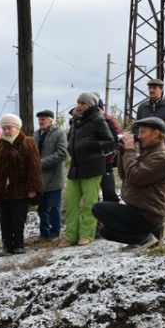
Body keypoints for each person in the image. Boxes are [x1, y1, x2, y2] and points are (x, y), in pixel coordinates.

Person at [92, 117, 165, 251]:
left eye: (143, 133)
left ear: (156, 134)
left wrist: (130, 151)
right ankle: (153, 234)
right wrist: (124, 151)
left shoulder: (161, 156)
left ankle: (142, 239)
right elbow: (125, 176)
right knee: (106, 231)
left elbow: (134, 177)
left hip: (148, 214)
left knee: (98, 208)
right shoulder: (150, 153)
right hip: (140, 210)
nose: (139, 137)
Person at [0, 114, 44, 257]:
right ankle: (7, 247)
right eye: (4, 128)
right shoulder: (0, 144)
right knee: (5, 219)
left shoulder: (28, 142)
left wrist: (33, 188)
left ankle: (19, 245)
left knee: (18, 219)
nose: (7, 131)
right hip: (3, 190)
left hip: (21, 190)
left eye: (9, 128)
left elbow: (35, 167)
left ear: (17, 128)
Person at [61, 92, 115, 247]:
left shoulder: (98, 119)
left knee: (89, 203)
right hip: (75, 167)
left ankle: (87, 234)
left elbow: (110, 141)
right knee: (71, 202)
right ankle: (71, 236)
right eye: (78, 102)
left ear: (91, 105)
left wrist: (89, 145)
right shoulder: (76, 120)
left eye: (83, 103)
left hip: (93, 165)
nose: (79, 106)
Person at [33, 110, 68, 242]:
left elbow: (62, 153)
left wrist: (40, 164)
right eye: (39, 119)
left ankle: (55, 233)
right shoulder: (36, 135)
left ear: (51, 121)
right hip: (39, 178)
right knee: (42, 208)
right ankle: (44, 233)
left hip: (54, 177)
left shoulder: (59, 134)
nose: (41, 121)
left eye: (44, 119)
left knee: (54, 207)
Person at [132, 78, 165, 147]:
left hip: (162, 147)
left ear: (161, 90)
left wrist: (159, 138)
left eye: (154, 88)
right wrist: (143, 137)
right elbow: (135, 126)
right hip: (144, 147)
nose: (151, 90)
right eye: (149, 88)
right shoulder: (142, 107)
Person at [98, 99, 123, 203]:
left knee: (109, 192)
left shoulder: (110, 120)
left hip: (107, 162)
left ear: (102, 109)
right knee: (92, 195)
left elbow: (118, 140)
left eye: (98, 109)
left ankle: (113, 214)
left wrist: (110, 155)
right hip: (90, 163)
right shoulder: (86, 122)